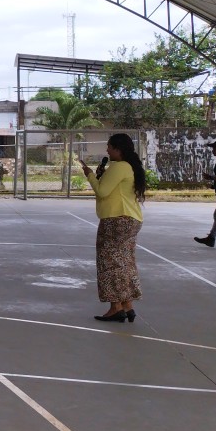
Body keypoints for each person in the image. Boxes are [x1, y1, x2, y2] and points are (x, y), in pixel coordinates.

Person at [80, 134, 146, 322]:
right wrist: (101, 176)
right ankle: (127, 304)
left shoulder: (119, 166)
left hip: (116, 220)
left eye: (109, 146)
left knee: (109, 264)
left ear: (118, 149)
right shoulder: (130, 166)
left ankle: (116, 307)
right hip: (130, 219)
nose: (107, 150)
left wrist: (89, 175)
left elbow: (102, 191)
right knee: (125, 262)